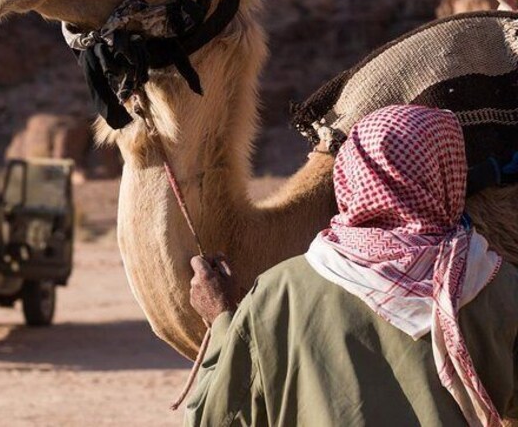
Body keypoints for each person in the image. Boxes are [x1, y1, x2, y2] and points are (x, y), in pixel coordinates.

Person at [185, 105, 518, 426]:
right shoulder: (497, 286)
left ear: (349, 176)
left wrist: (222, 323)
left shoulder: (279, 293)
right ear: (449, 174)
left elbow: (213, 419)